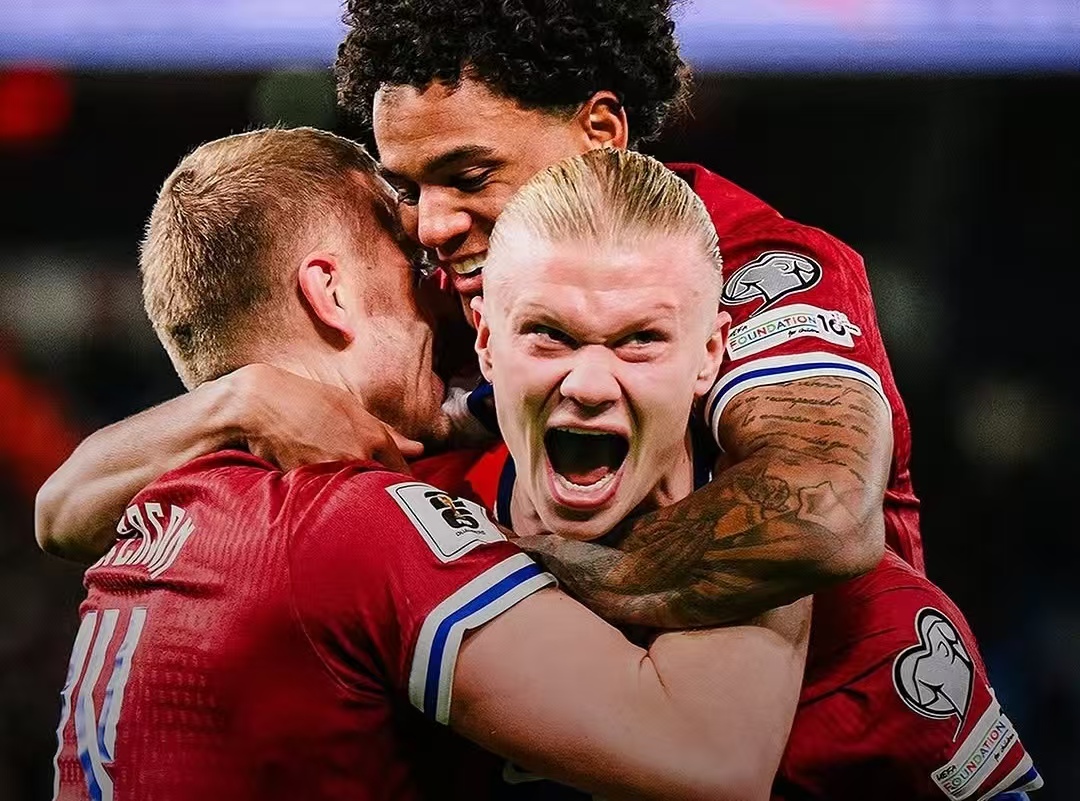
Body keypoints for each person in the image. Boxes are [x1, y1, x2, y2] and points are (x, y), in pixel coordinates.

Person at [34, 1, 1041, 797]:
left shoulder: (747, 269)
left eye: (468, 173)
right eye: (408, 187)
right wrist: (238, 401)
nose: (432, 225)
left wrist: (484, 566)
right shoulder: (462, 303)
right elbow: (64, 513)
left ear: (600, 132)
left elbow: (817, 516)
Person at [49, 126, 809, 801]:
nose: (442, 302)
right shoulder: (348, 521)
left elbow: (55, 514)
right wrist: (759, 461)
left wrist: (241, 398)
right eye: (413, 270)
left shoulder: (162, 499)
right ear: (329, 292)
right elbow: (711, 759)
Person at [467, 147, 1042, 800]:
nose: (590, 384)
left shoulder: (878, 632)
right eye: (548, 333)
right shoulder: (404, 525)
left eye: (641, 340)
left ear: (710, 354)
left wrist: (521, 567)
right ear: (485, 341)